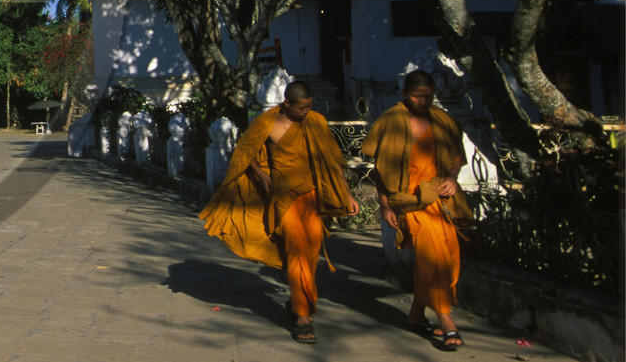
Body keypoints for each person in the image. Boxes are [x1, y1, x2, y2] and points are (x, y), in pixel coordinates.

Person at [199, 81, 358, 344]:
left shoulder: (315, 121)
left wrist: (348, 194)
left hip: (312, 197)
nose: (306, 111)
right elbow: (244, 151)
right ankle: (304, 318)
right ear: (287, 104)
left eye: (309, 106)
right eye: (302, 107)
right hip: (284, 200)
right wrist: (260, 175)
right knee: (296, 252)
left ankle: (298, 301)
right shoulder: (267, 123)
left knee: (310, 253)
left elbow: (332, 159)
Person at [361, 70, 469, 350]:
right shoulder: (391, 122)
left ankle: (415, 315)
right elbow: (380, 172)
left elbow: (457, 157)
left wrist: (451, 178)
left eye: (428, 96)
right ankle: (445, 319)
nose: (422, 101)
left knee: (448, 255)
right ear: (404, 94)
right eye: (416, 96)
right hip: (409, 201)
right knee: (432, 257)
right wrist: (385, 205)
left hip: (440, 200)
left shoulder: (442, 120)